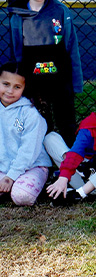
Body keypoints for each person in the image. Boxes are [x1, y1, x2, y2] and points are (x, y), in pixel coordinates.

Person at [8, 0, 83, 146]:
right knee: (40, 123)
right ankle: (44, 164)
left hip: (60, 79)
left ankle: (71, 161)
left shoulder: (60, 11)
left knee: (66, 122)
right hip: (33, 82)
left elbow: (71, 47)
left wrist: (76, 81)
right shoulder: (18, 15)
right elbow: (16, 52)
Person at [0, 62, 52, 206]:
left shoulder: (30, 114)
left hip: (31, 166)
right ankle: (8, 188)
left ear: (24, 88)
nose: (10, 91)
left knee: (22, 196)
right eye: (5, 84)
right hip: (3, 167)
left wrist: (12, 176)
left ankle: (21, 185)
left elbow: (29, 150)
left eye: (17, 87)